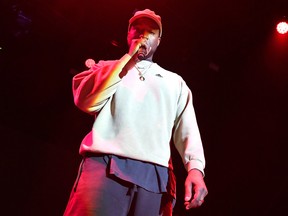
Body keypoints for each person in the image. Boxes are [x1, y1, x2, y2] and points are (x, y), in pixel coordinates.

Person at [64, 8, 208, 216]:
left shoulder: (175, 82)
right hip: (105, 165)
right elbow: (86, 102)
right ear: (128, 34)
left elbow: (188, 130)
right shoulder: (106, 68)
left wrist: (195, 168)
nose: (143, 34)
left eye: (150, 31)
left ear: (159, 40)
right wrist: (128, 60)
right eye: (137, 29)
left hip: (154, 176)